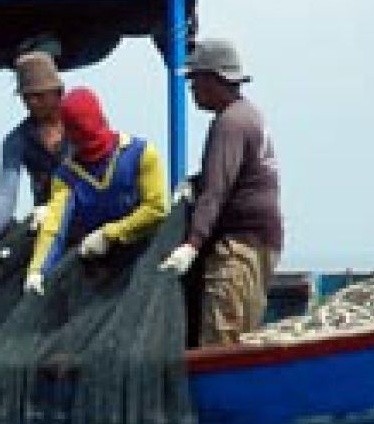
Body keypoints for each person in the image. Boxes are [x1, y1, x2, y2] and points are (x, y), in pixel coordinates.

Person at [157, 38, 283, 346]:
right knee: (242, 330)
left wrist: (192, 243)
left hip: (238, 247)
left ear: (215, 79)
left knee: (222, 335)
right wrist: (195, 183)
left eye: (194, 81)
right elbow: (228, 177)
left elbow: (216, 192)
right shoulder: (248, 114)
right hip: (261, 241)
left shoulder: (229, 123)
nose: (191, 90)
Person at [25, 87, 169, 295]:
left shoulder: (141, 154)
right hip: (98, 266)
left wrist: (109, 234)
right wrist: (37, 271)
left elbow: (156, 209)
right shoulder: (67, 176)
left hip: (144, 260)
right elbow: (54, 226)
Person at [0, 50, 69, 279]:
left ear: (58, 93)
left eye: (39, 95)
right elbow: (6, 195)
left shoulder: (79, 124)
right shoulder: (17, 140)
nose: (32, 102)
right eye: (26, 96)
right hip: (47, 223)